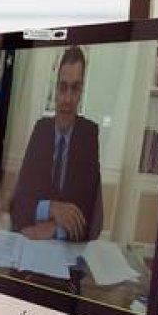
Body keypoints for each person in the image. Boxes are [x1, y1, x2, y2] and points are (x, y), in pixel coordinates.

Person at [10, 46, 103, 242]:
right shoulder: (41, 130)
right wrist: (52, 208)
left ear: (81, 92)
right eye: (63, 87)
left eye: (75, 88)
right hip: (34, 247)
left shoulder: (89, 135)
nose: (67, 99)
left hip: (65, 250)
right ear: (55, 88)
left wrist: (53, 229)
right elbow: (18, 204)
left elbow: (89, 214)